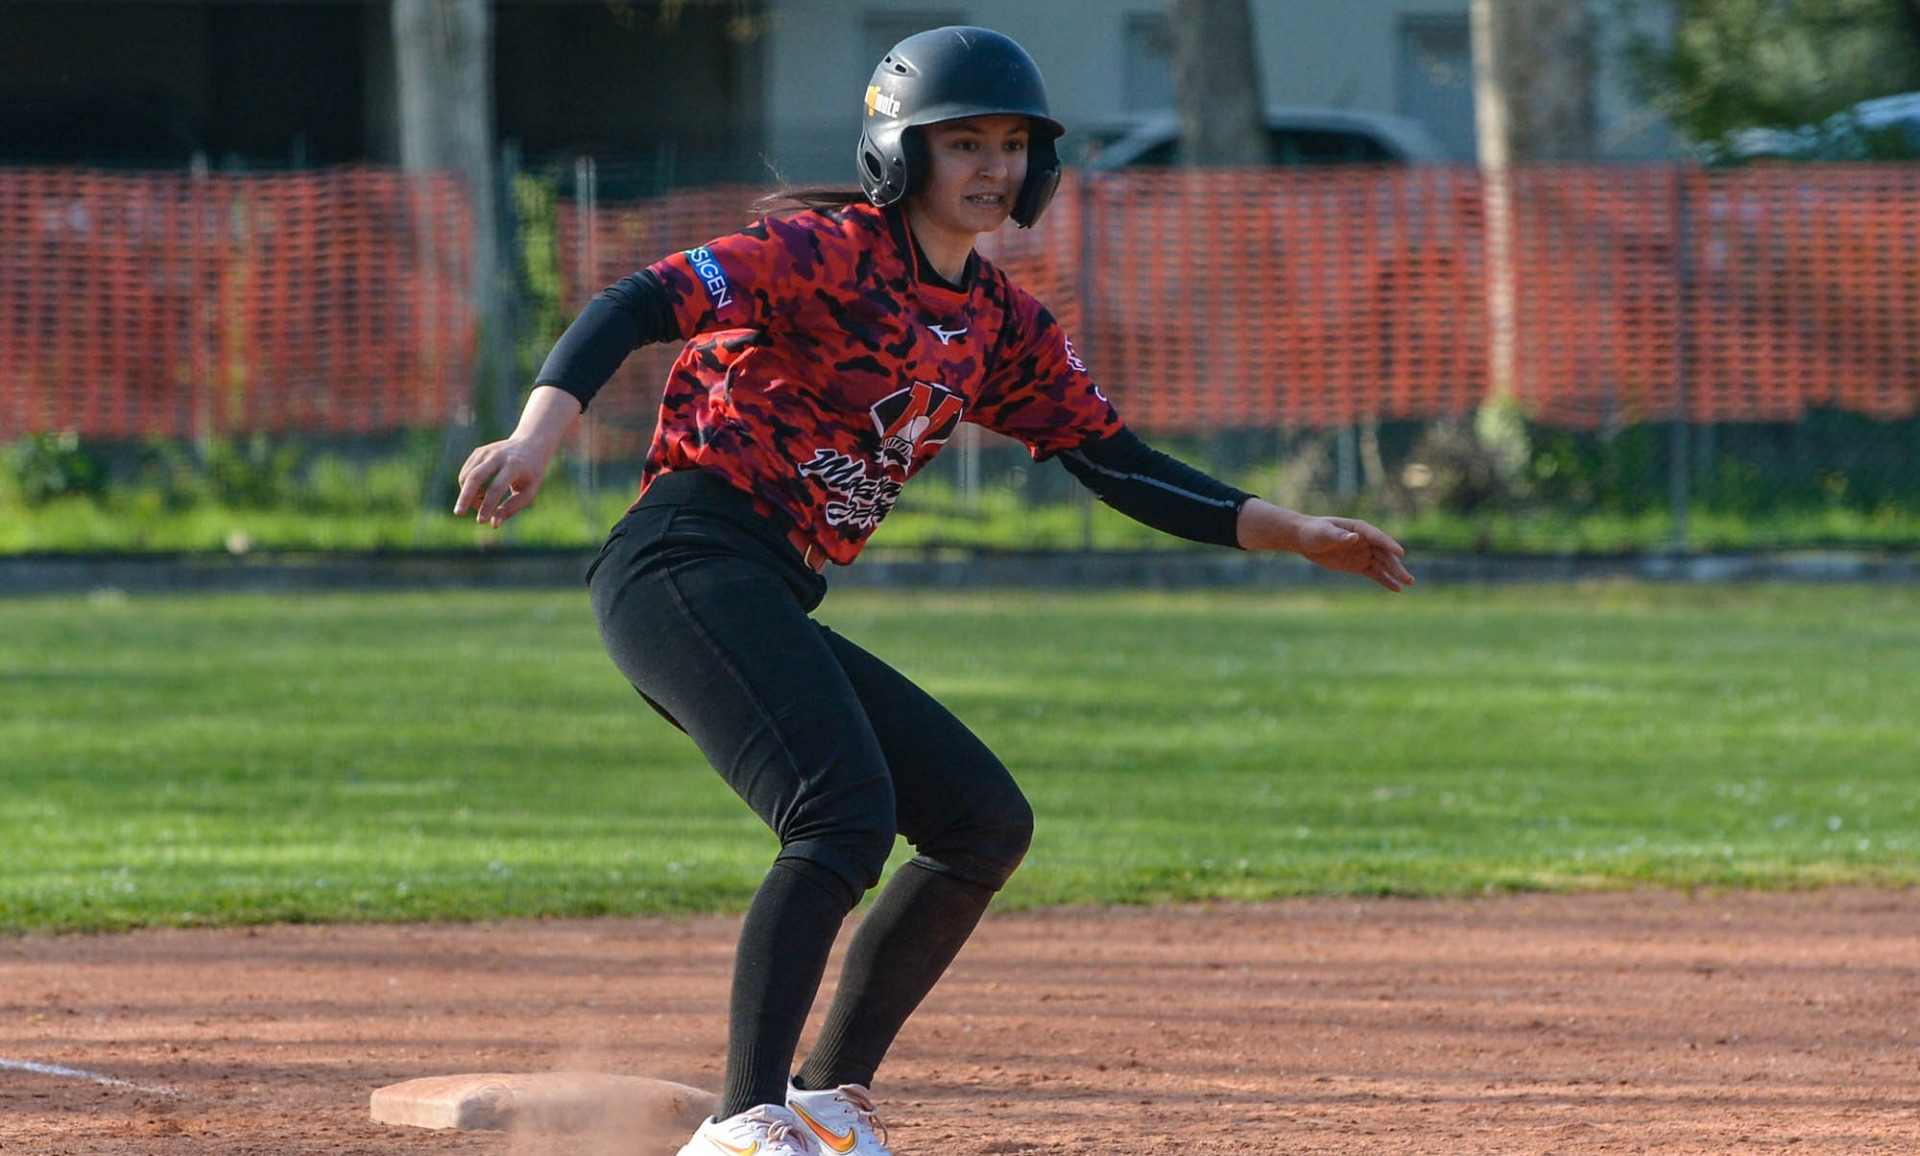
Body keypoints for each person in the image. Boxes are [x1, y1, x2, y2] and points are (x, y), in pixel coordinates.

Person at [454, 24, 1414, 1156]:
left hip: (768, 584)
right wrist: (533, 438)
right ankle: (741, 1123)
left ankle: (821, 1095)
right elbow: (636, 302)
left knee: (979, 821)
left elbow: (1121, 462)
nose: (993, 167)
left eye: (1012, 143)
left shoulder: (999, 324)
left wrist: (1296, 531)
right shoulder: (825, 254)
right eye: (962, 141)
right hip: (681, 560)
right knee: (839, 811)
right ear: (899, 151)